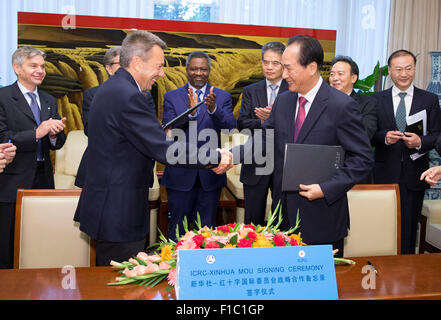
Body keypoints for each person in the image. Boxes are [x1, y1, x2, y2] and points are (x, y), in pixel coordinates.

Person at [74, 31, 232, 266]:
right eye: (158, 66)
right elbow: (164, 149)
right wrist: (214, 155)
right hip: (118, 208)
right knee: (121, 282)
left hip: (111, 203)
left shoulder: (114, 89)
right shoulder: (127, 96)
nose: (162, 73)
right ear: (137, 62)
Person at [232, 35, 373, 257]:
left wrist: (326, 189)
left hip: (322, 217)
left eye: (288, 68)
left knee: (320, 290)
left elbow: (362, 159)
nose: (283, 74)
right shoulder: (285, 101)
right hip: (283, 217)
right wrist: (232, 156)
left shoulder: (341, 105)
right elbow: (265, 138)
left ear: (312, 67)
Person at [0, 46, 66, 268]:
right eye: (34, 66)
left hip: (44, 178)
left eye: (43, 66)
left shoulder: (48, 100)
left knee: (40, 238)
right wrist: (36, 133)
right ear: (17, 68)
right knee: (8, 242)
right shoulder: (3, 97)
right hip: (11, 180)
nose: (41, 71)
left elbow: (58, 143)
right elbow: (3, 138)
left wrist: (55, 135)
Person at [161, 51, 236, 240]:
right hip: (180, 175)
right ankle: (173, 269)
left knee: (207, 234)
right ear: (187, 70)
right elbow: (168, 128)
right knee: (177, 232)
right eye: (194, 69)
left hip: (209, 176)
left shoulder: (222, 96)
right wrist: (191, 113)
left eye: (203, 69)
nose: (199, 73)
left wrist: (214, 110)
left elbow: (229, 126)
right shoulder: (172, 96)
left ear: (209, 70)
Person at [372, 49, 441, 254]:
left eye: (408, 68)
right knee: (381, 225)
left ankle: (406, 271)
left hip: (415, 172)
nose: (404, 73)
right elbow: (369, 133)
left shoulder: (428, 99)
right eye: (399, 69)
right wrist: (384, 137)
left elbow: (437, 134)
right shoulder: (377, 99)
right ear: (390, 71)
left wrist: (420, 141)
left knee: (409, 228)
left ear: (415, 69)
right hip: (384, 172)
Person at [237, 42, 288, 225]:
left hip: (283, 162)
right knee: (252, 220)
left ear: (284, 64)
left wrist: (274, 118)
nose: (269, 67)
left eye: (275, 63)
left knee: (281, 220)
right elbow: (242, 124)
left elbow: (297, 127)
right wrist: (262, 121)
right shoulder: (251, 91)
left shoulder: (292, 91)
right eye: (266, 62)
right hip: (256, 160)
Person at [75, 46, 121, 188]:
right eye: (121, 64)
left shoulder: (144, 95)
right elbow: (90, 130)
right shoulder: (92, 95)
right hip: (99, 164)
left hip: (132, 167)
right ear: (109, 68)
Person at [329, 55, 377, 140]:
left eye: (340, 74)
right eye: (332, 74)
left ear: (353, 78)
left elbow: (366, 133)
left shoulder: (367, 103)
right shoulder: (321, 101)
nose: (335, 78)